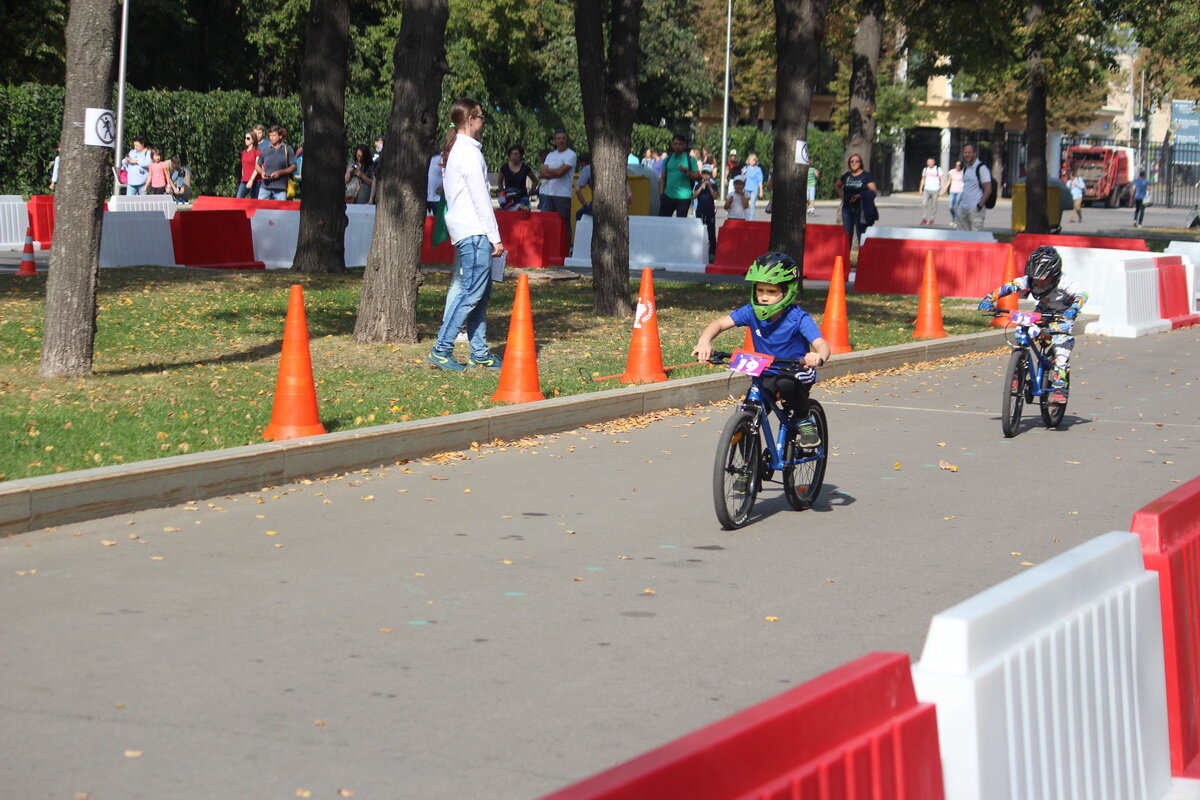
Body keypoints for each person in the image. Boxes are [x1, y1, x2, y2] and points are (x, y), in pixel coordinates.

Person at [692, 252, 831, 452]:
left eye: (772, 291)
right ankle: (747, 473)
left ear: (787, 291)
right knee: (748, 416)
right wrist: (704, 341)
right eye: (760, 290)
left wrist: (817, 355)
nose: (764, 296)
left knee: (786, 383)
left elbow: (821, 343)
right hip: (765, 372)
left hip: (795, 370)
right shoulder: (750, 311)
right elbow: (720, 323)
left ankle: (804, 419)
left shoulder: (798, 317)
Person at [427, 98, 504, 372]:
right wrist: (494, 235)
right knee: (471, 294)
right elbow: (480, 197)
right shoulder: (469, 153)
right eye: (481, 117)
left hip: (466, 231)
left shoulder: (454, 150)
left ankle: (480, 351)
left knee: (479, 295)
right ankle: (442, 348)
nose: (483, 122)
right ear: (470, 119)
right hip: (474, 232)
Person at [978, 245, 1086, 404]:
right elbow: (1009, 287)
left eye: (1043, 280)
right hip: (1042, 311)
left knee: (1061, 347)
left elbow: (1082, 294)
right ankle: (1018, 369)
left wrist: (1074, 309)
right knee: (1022, 332)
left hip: (1064, 314)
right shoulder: (1028, 279)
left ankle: (1060, 386)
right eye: (1035, 278)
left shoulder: (1064, 281)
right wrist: (989, 298)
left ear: (1054, 274)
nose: (1038, 283)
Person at [834, 154, 878, 246]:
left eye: (857, 161)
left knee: (861, 234)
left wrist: (860, 195)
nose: (854, 163)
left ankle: (863, 257)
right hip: (847, 208)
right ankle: (846, 257)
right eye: (852, 161)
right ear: (849, 164)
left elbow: (873, 191)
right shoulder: (847, 176)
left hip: (861, 208)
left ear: (861, 163)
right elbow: (837, 185)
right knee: (847, 234)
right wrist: (841, 195)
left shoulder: (866, 176)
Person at [539, 129, 577, 224]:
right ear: (555, 141)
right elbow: (542, 173)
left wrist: (549, 171)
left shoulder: (571, 154)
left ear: (566, 140)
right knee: (550, 223)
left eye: (563, 138)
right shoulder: (550, 155)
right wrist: (556, 172)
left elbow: (561, 172)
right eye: (559, 138)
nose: (561, 141)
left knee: (564, 223)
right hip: (549, 193)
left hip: (563, 195)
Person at [659, 134, 700, 217]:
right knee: (662, 222)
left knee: (680, 223)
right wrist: (661, 195)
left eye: (680, 144)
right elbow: (662, 177)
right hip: (667, 196)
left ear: (684, 145)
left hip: (684, 197)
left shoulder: (690, 159)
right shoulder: (667, 159)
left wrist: (687, 172)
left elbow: (698, 177)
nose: (678, 146)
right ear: (672, 145)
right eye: (675, 144)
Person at [956, 143, 991, 231]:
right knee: (961, 237)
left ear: (974, 153)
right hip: (963, 207)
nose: (967, 154)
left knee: (975, 237)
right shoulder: (966, 168)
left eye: (970, 152)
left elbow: (988, 189)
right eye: (965, 152)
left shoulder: (982, 168)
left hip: (975, 208)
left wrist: (979, 205)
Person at [256, 126, 296, 201]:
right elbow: (257, 165)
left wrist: (280, 172)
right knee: (260, 210)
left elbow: (293, 167)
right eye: (270, 135)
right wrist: (262, 172)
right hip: (265, 187)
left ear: (280, 136)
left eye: (274, 135)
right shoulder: (265, 149)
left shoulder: (287, 149)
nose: (271, 138)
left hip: (281, 189)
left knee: (281, 212)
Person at [498, 144, 538, 211]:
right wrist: (503, 194)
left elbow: (535, 181)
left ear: (521, 155)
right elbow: (499, 182)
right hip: (509, 200)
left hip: (522, 198)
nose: (513, 156)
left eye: (516, 154)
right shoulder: (504, 168)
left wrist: (529, 193)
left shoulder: (525, 168)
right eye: (512, 154)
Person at [693, 164, 719, 260]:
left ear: (710, 174)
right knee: (699, 232)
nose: (706, 176)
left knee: (711, 233)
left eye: (707, 174)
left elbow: (715, 196)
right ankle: (698, 252)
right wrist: (702, 187)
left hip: (710, 211)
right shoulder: (698, 184)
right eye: (704, 173)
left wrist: (709, 187)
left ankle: (712, 253)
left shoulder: (713, 184)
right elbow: (694, 195)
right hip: (700, 211)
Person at [919, 157, 944, 225]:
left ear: (934, 162)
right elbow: (923, 179)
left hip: (935, 189)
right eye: (928, 162)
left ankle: (932, 219)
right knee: (924, 204)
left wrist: (943, 188)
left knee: (934, 205)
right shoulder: (925, 169)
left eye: (930, 162)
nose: (929, 163)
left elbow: (941, 179)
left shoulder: (938, 169)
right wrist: (921, 188)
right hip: (927, 189)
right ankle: (924, 218)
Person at [741, 154, 764, 220]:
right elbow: (742, 179)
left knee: (752, 204)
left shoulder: (758, 169)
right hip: (746, 188)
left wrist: (761, 190)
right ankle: (745, 217)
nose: (752, 161)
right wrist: (743, 173)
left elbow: (760, 180)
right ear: (748, 161)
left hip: (754, 189)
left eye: (754, 160)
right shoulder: (745, 168)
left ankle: (751, 220)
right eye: (751, 160)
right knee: (745, 205)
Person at [236, 131, 259, 198]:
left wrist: (251, 180)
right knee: (239, 198)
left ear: (253, 140)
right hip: (244, 180)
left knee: (254, 201)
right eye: (245, 138)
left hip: (255, 181)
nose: (246, 140)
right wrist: (243, 176)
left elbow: (257, 167)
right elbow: (243, 166)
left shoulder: (257, 152)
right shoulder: (244, 152)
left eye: (248, 138)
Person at [946, 160, 964, 225]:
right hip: (952, 190)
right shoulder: (952, 171)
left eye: (959, 165)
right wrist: (945, 188)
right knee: (951, 206)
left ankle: (957, 221)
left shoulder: (963, 172)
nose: (957, 166)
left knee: (956, 206)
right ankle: (954, 218)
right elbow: (949, 181)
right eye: (956, 165)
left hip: (960, 191)